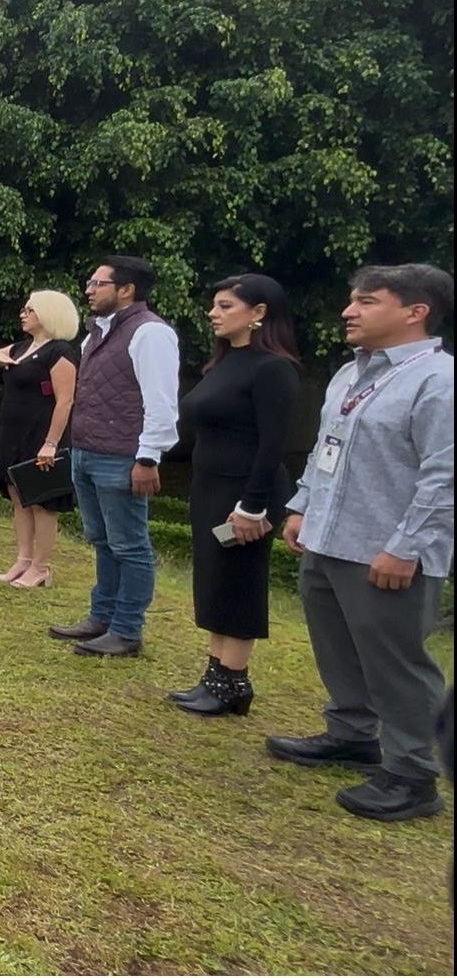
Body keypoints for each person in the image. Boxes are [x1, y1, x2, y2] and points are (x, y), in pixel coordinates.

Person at [268, 264, 452, 821]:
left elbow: (444, 475)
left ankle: (413, 775)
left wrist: (408, 546)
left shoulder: (437, 380)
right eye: (352, 300)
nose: (350, 311)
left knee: (397, 661)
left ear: (415, 312)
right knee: (338, 646)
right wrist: (301, 506)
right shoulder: (352, 374)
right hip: (329, 538)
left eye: (367, 302)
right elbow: (328, 448)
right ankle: (352, 733)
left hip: (385, 549)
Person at [160, 274, 302, 716]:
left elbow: (273, 444)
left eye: (225, 306)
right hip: (211, 486)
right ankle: (215, 675)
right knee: (214, 580)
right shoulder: (224, 362)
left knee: (239, 582)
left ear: (258, 313)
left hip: (247, 492)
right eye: (214, 306)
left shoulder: (272, 369)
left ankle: (232, 683)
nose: (213, 314)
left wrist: (253, 505)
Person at [49, 256, 180, 657]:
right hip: (87, 451)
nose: (88, 290)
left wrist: (148, 457)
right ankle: (101, 617)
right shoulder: (95, 334)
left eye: (97, 283)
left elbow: (161, 403)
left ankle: (126, 629)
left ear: (126, 290)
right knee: (102, 541)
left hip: (123, 457)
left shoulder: (151, 334)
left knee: (129, 545)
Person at [0, 289, 81, 588]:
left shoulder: (59, 351)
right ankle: (23, 560)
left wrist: (51, 443)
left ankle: (41, 567)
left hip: (41, 433)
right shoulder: (21, 348)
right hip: (13, 431)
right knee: (18, 497)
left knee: (41, 502)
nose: (23, 314)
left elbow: (65, 401)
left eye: (30, 310)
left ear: (48, 314)